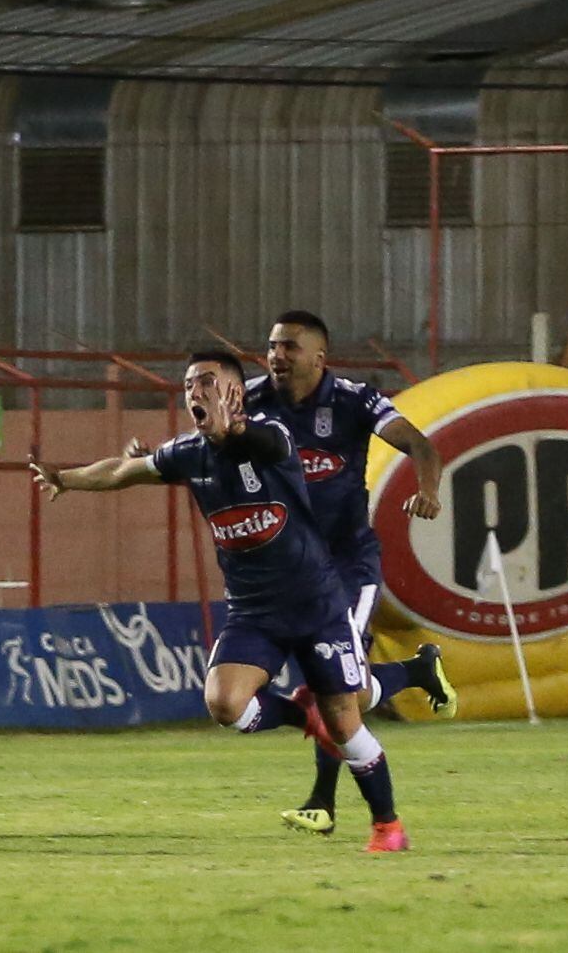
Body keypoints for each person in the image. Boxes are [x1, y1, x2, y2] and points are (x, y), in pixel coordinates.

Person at [32, 349, 412, 853]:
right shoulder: (188, 453)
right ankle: (305, 716)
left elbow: (250, 438)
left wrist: (231, 429)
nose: (194, 391)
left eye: (206, 382)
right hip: (254, 610)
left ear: (234, 392)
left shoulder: (273, 436)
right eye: (189, 384)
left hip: (316, 604)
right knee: (224, 704)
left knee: (347, 722)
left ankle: (387, 827)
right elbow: (125, 471)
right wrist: (68, 479)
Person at [248, 311, 455, 835]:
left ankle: (325, 803)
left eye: (290, 347)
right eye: (273, 346)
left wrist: (428, 490)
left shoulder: (354, 399)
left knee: (331, 687)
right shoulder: (251, 400)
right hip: (286, 569)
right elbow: (203, 449)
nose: (277, 355)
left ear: (319, 357)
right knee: (346, 690)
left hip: (347, 566)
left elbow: (420, 444)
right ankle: (412, 673)